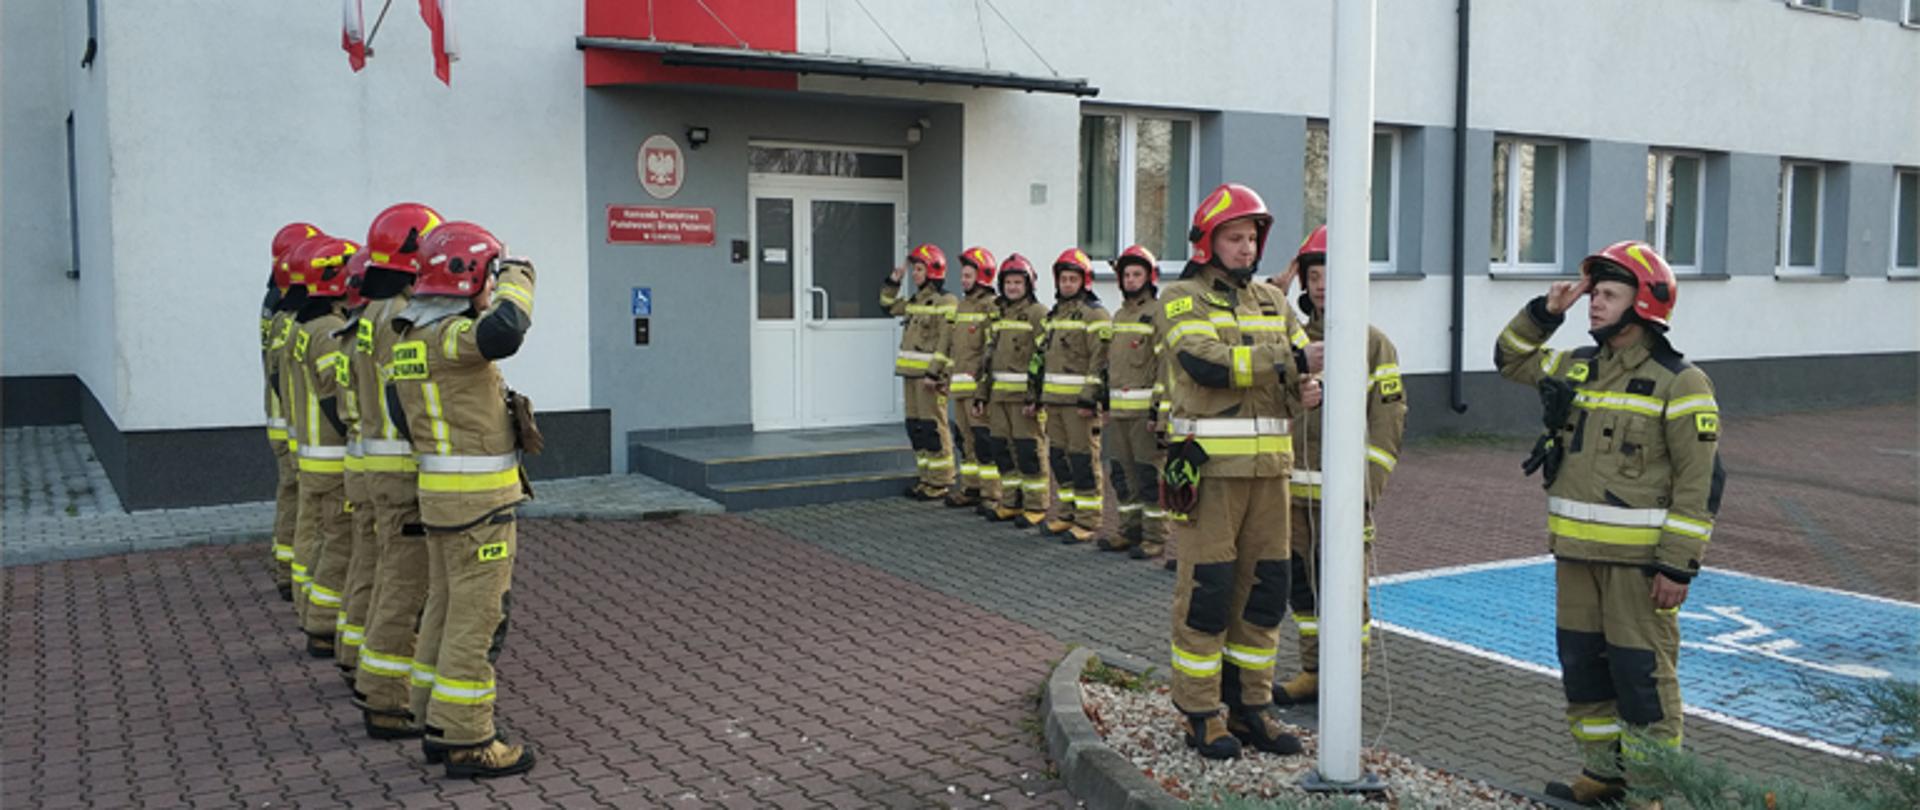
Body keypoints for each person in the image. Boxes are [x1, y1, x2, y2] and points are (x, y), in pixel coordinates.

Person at [1495, 241, 1723, 806]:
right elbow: (1510, 359)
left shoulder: (1682, 382)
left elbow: (1699, 483)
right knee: (1584, 675)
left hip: (1638, 568)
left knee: (1643, 683)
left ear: (1643, 305)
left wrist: (1678, 566)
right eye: (1594, 293)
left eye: (1608, 295)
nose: (1594, 303)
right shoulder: (1578, 365)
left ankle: (1647, 792)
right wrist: (1547, 312)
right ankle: (1602, 774)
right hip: (1576, 556)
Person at [1161, 182, 1321, 760]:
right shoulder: (1181, 299)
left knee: (1264, 593)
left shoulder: (1275, 302)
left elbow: (1299, 369)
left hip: (1271, 475)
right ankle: (1201, 713)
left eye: (1252, 237)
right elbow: (1205, 362)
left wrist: (1308, 387)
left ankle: (1251, 707)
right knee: (1208, 595)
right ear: (1208, 243)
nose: (1246, 247)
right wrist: (1291, 362)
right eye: (1234, 237)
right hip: (1211, 476)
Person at [391, 220, 539, 778]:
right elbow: (506, 331)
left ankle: (434, 719)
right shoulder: (450, 336)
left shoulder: (409, 339)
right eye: (489, 276)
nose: (493, 287)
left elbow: (398, 415)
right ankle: (468, 738)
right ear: (467, 277)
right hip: (478, 507)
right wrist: (519, 276)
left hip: (441, 502)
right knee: (478, 621)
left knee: (445, 610)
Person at [1267, 226, 1408, 706]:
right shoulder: (1294, 340)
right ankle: (1314, 670)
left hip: (1343, 497)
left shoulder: (1372, 344)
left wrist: (1365, 488)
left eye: (1331, 274)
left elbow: (1388, 422)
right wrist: (1275, 292)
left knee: (1345, 589)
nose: (1322, 284)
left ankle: (1348, 675)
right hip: (1293, 494)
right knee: (1302, 590)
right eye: (1314, 276)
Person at [351, 202, 445, 740]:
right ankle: (388, 699)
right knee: (407, 587)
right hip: (402, 471)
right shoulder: (398, 317)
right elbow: (401, 398)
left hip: (381, 467)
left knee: (392, 577)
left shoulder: (373, 312)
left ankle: (380, 686)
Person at [288, 236, 362, 657]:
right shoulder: (327, 332)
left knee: (316, 536)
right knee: (339, 545)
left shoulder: (304, 325)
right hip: (332, 456)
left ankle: (309, 610)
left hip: (311, 451)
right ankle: (322, 625)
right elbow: (337, 397)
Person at [1097, 245, 1170, 559]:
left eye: (1136, 274)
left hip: (1143, 415)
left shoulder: (1158, 314)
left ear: (1149, 277)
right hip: (1119, 414)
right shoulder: (1119, 315)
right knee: (1122, 476)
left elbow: (1165, 366)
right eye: (1126, 275)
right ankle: (1129, 531)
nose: (1130, 280)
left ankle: (1155, 537)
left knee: (1149, 477)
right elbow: (1111, 365)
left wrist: (1159, 412)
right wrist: (1105, 404)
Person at [1036, 249, 1111, 544]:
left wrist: (1090, 398)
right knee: (1060, 460)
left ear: (1085, 281)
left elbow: (1100, 361)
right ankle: (1067, 512)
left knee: (1083, 462)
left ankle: (1088, 520)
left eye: (1072, 279)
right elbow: (1042, 358)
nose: (1067, 284)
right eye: (1063, 279)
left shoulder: (1095, 315)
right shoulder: (1055, 315)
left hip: (1079, 405)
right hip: (1054, 402)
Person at [264, 222, 322, 601]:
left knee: (294, 498)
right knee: (304, 506)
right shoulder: (297, 318)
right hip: (299, 424)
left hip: (285, 418)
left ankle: (288, 569)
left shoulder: (277, 305)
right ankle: (292, 574)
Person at [979, 254, 1051, 526]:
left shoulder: (1038, 314)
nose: (1012, 287)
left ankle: (1035, 506)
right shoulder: (997, 313)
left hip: (1024, 400)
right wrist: (981, 394)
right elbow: (988, 356)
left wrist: (1035, 396)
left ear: (1029, 284)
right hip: (998, 397)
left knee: (1028, 451)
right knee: (1003, 450)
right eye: (1008, 282)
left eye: (1018, 282)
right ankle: (1010, 501)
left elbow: (1044, 356)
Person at [881, 246, 959, 499]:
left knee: (933, 428)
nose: (914, 274)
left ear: (933, 271)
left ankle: (941, 481)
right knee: (916, 428)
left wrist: (936, 374)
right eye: (914, 269)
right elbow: (887, 306)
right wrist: (894, 281)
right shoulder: (915, 301)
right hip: (911, 376)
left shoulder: (946, 302)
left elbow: (947, 342)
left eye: (919, 269)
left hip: (929, 379)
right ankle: (926, 478)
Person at [944, 247, 1001, 510]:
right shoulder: (962, 305)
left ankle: (992, 494)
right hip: (959, 388)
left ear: (983, 276)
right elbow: (955, 348)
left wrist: (983, 390)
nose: (963, 280)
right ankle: (971, 488)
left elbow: (991, 352)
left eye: (968, 276)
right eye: (963, 276)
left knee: (983, 442)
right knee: (965, 441)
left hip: (977, 390)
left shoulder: (991, 307)